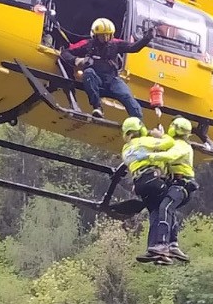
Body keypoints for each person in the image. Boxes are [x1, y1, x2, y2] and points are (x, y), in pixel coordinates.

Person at [120, 116, 191, 265]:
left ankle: (155, 247)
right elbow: (168, 144)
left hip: (139, 184)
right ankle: (168, 245)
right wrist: (160, 136)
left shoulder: (126, 148)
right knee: (166, 207)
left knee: (157, 211)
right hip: (153, 180)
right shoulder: (146, 141)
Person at [61, 18, 158, 120]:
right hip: (95, 79)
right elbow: (65, 53)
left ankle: (138, 120)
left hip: (112, 80)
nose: (106, 38)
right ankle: (97, 107)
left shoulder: (116, 44)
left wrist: (146, 38)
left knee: (126, 95)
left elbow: (133, 47)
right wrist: (77, 60)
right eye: (103, 35)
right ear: (95, 35)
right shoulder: (87, 44)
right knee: (88, 73)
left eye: (108, 35)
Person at [162, 116, 197, 263]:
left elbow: (170, 156)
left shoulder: (180, 145)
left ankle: (163, 243)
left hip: (180, 184)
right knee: (171, 211)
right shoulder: (181, 144)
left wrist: (149, 154)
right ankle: (173, 243)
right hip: (177, 184)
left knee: (165, 208)